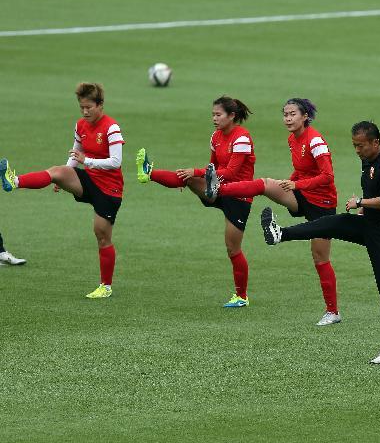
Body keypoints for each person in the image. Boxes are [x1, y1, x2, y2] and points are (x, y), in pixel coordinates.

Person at [260, 121, 380, 364]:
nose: (357, 150)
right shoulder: (367, 160)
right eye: (354, 146)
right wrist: (364, 210)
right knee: (330, 223)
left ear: (375, 143)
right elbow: (374, 196)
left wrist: (361, 203)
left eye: (361, 146)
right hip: (369, 225)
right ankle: (280, 234)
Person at [206, 98, 341, 325]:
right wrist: (289, 181)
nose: (287, 118)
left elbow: (327, 177)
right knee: (266, 184)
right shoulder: (292, 139)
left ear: (305, 116)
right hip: (301, 195)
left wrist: (297, 185)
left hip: (322, 203)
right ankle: (219, 188)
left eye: (292, 114)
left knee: (319, 257)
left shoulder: (316, 141)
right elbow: (301, 169)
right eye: (285, 114)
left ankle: (333, 312)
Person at [0, 82, 123, 296]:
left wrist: (87, 161)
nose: (85, 112)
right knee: (57, 171)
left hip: (109, 189)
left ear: (100, 105)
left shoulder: (111, 128)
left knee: (101, 236)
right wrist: (66, 176)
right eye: (81, 107)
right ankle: (15, 181)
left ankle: (106, 286)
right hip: (89, 180)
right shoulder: (80, 126)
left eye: (89, 107)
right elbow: (76, 154)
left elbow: (115, 162)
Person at [136, 96, 255, 307]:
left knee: (232, 248)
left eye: (218, 115)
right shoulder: (216, 137)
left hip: (238, 196)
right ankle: (149, 172)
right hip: (217, 189)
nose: (214, 119)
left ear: (232, 116)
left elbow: (231, 171)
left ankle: (241, 297)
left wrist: (199, 173)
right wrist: (197, 178)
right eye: (213, 115)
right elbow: (213, 167)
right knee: (189, 177)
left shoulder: (242, 138)